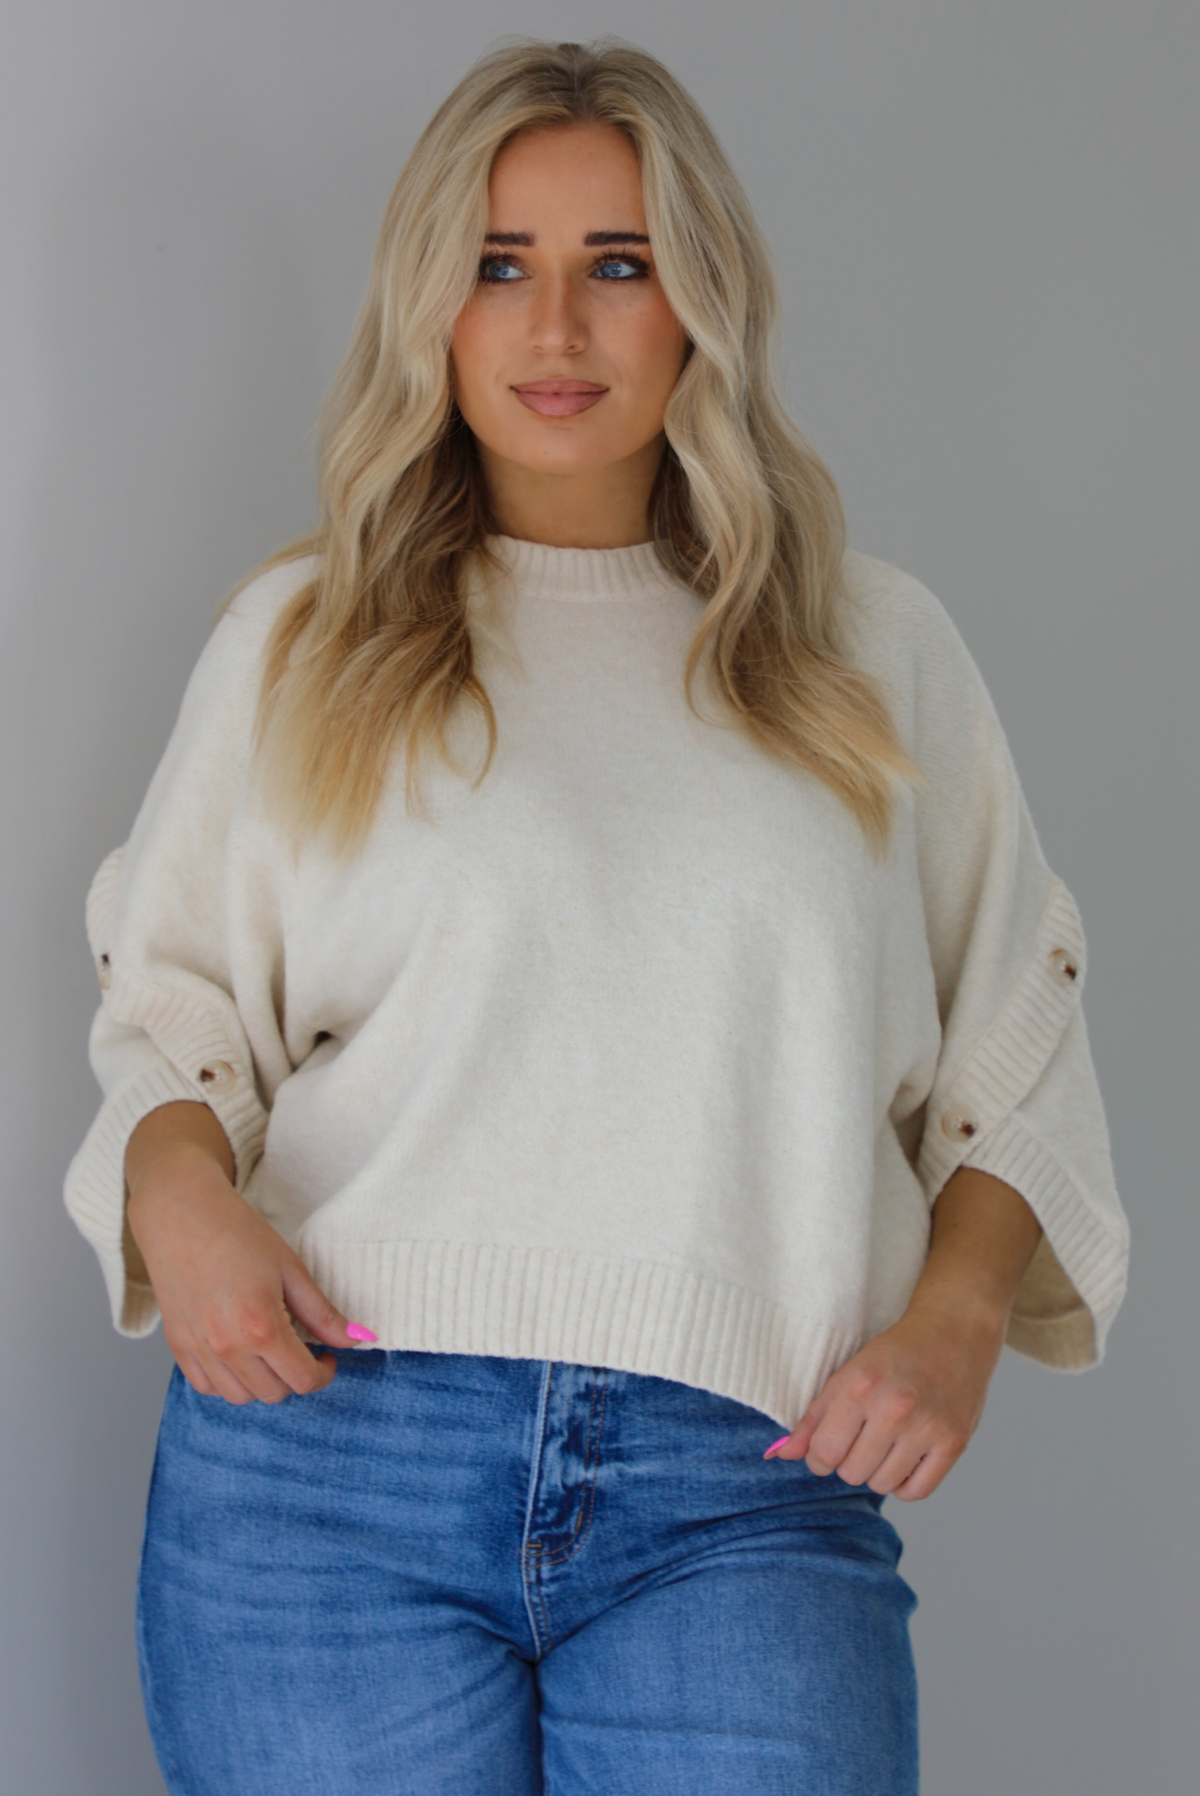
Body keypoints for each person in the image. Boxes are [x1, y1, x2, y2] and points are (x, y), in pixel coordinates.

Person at [65, 36, 1129, 1796]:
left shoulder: (873, 658)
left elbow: (1017, 1028)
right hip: (330, 1468)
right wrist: (177, 1202)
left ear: (699, 301)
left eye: (616, 266)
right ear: (435, 307)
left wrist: (954, 1319)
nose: (554, 329)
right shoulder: (302, 639)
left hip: (744, 1490)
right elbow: (171, 1009)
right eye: (500, 266)